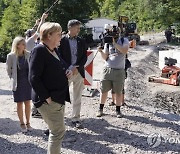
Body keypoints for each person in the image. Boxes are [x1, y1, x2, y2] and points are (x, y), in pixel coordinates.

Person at [29, 22, 72, 154]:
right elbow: (33, 78)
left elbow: (61, 64)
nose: (61, 36)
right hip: (49, 100)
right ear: (49, 35)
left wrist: (67, 71)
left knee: (57, 131)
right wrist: (47, 98)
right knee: (58, 132)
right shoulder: (39, 50)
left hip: (57, 98)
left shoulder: (53, 49)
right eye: (59, 34)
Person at [58, 19, 87, 128]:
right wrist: (69, 67)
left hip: (78, 72)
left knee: (77, 96)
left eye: (79, 28)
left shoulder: (81, 41)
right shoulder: (62, 40)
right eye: (77, 28)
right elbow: (59, 56)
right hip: (66, 72)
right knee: (62, 96)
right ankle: (60, 118)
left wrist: (77, 67)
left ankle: (76, 118)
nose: (79, 30)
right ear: (70, 28)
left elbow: (85, 56)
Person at [97, 29, 129, 118]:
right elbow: (105, 58)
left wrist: (114, 43)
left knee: (118, 92)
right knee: (103, 91)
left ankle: (118, 111)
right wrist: (100, 51)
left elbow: (124, 51)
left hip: (119, 71)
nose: (112, 36)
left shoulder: (124, 40)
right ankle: (100, 109)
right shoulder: (107, 43)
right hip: (107, 69)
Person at [6, 36, 32, 132]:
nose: (24, 45)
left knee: (28, 103)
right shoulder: (11, 56)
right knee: (19, 103)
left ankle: (28, 122)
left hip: (27, 82)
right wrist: (12, 79)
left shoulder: (28, 54)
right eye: (22, 43)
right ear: (17, 45)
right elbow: (8, 70)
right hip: (17, 83)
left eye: (24, 43)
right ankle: (22, 123)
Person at [25, 13, 48, 118]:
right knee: (36, 88)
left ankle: (35, 110)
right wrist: (43, 19)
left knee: (36, 88)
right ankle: (35, 111)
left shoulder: (27, 42)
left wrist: (38, 23)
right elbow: (38, 32)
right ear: (31, 36)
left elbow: (35, 31)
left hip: (31, 68)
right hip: (33, 69)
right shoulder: (30, 42)